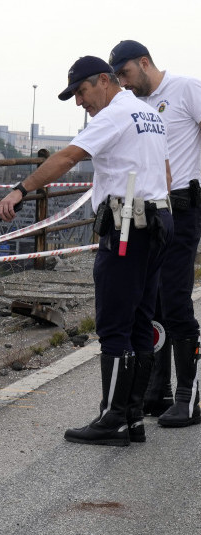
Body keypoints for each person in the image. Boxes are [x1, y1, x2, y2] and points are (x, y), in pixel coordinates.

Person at [0, 55, 172, 446]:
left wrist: (20, 191)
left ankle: (112, 419)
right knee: (139, 323)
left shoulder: (114, 115)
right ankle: (133, 418)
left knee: (114, 325)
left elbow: (69, 157)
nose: (79, 103)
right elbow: (166, 169)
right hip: (156, 223)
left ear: (104, 80)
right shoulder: (147, 113)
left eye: (82, 92)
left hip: (126, 227)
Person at [109, 40, 201, 428]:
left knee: (176, 298)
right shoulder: (135, 105)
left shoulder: (186, 89)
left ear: (144, 63)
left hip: (185, 204)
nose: (124, 84)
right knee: (153, 301)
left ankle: (189, 397)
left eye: (126, 74)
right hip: (153, 210)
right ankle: (157, 390)